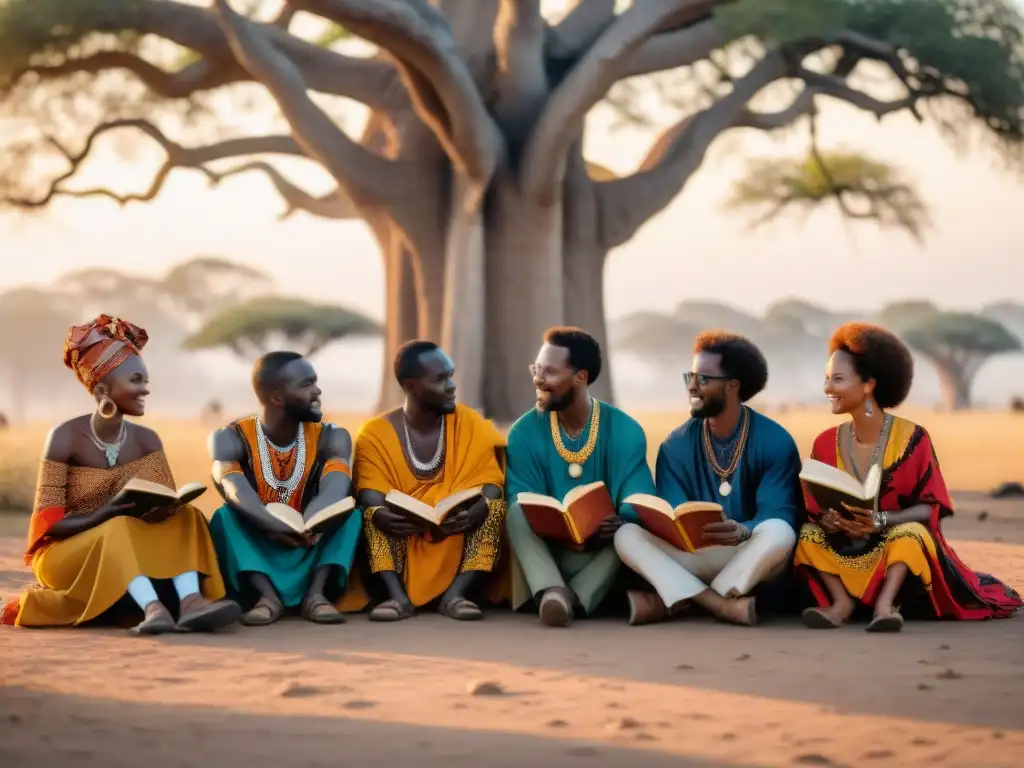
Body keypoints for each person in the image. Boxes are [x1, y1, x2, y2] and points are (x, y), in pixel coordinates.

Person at [0, 315, 240, 634]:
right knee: (119, 525)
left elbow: (161, 508)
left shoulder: (147, 440)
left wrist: (166, 508)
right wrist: (106, 512)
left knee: (188, 517)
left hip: (130, 545)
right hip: (66, 554)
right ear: (102, 389)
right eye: (136, 381)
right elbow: (50, 524)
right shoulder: (65, 437)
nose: (146, 390)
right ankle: (152, 608)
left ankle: (190, 601)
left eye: (145, 381)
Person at [794, 322, 1022, 631]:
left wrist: (882, 521)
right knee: (808, 534)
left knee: (911, 534)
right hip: (845, 545)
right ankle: (840, 603)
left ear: (868, 384)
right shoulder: (824, 441)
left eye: (837, 379)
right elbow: (816, 506)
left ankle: (886, 606)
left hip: (895, 547)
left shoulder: (913, 438)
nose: (827, 389)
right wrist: (830, 521)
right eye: (826, 380)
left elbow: (930, 509)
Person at [615, 331, 802, 627]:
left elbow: (779, 513)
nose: (691, 386)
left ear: (732, 385)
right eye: (690, 376)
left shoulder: (775, 440)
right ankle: (718, 605)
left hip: (746, 554)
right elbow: (672, 514)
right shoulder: (675, 444)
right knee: (626, 536)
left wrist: (743, 529)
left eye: (703, 379)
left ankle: (678, 602)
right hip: (690, 557)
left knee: (780, 533)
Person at [505, 327, 657, 627]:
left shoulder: (625, 430)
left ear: (580, 377)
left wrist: (620, 518)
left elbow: (639, 498)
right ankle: (552, 590)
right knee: (516, 511)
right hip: (544, 554)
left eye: (549, 372)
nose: (538, 379)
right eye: (536, 369)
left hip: (602, 554)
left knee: (629, 530)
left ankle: (568, 599)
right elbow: (520, 494)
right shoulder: (523, 431)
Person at [353, 341, 506, 622]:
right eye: (440, 379)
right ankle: (395, 596)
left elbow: (491, 480)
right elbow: (369, 490)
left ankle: (457, 595)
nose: (451, 386)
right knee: (372, 514)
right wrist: (385, 515)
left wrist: (479, 507)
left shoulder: (469, 422)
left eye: (450, 375)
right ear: (411, 386)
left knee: (494, 507)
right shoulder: (374, 433)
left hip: (455, 530)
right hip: (405, 533)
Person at [208, 351, 362, 626]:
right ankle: (266, 597)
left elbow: (336, 488)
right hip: (261, 543)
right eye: (306, 385)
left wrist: (308, 525)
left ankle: (316, 595)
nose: (317, 391)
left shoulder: (333, 436)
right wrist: (271, 524)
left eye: (315, 382)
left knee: (352, 513)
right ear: (277, 398)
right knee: (225, 516)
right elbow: (231, 486)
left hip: (312, 542)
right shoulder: (231, 437)